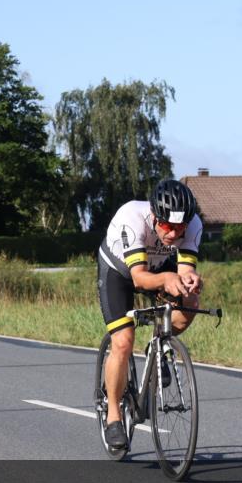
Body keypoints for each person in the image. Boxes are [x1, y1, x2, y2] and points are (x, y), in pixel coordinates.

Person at [97, 179, 203, 448]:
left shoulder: (193, 225)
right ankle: (113, 416)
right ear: (155, 216)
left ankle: (159, 347)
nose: (172, 234)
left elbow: (185, 270)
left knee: (190, 302)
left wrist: (190, 281)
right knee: (122, 341)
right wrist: (167, 277)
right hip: (120, 270)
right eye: (167, 226)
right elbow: (140, 279)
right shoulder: (132, 217)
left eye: (179, 229)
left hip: (158, 266)